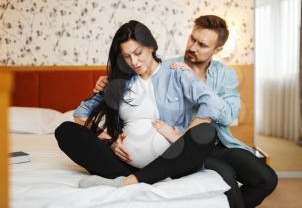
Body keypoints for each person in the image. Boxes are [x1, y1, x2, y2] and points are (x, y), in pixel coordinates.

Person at [93, 15, 278, 208]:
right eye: (192, 39)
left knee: (267, 179)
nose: (193, 47)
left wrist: (195, 85)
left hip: (219, 142)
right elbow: (135, 103)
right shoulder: (164, 68)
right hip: (181, 147)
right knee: (225, 177)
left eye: (202, 45)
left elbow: (230, 115)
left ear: (217, 49)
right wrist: (106, 82)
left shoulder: (226, 74)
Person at [55, 20, 227, 189]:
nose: (134, 62)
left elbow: (213, 104)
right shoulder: (118, 82)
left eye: (138, 53)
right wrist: (111, 141)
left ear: (151, 47)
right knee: (65, 130)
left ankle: (129, 182)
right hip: (124, 164)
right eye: (127, 57)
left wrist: (181, 139)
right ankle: (137, 177)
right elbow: (80, 114)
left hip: (172, 163)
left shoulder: (176, 73)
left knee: (206, 132)